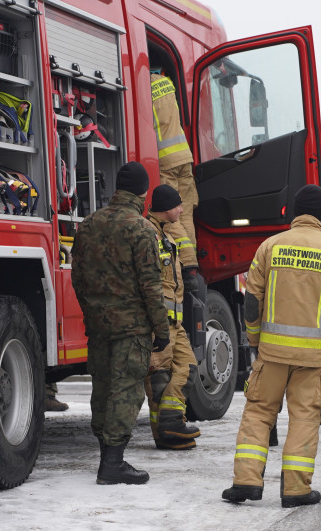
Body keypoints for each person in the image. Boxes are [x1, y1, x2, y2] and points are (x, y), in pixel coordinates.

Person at [222, 185, 321, 508]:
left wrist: (255, 340)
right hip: (314, 357)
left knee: (258, 413)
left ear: (295, 211)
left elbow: (252, 301)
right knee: (305, 418)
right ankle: (296, 489)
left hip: (271, 353)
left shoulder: (270, 246)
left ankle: (246, 481)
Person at [72, 161, 168, 485]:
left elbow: (77, 278)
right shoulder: (141, 228)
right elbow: (151, 287)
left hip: (99, 324)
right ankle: (112, 463)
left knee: (102, 388)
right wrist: (162, 330)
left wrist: (91, 311)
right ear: (143, 191)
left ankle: (106, 454)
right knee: (125, 390)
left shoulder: (88, 224)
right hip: (132, 327)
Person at [145, 185, 201, 449]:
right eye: (178, 205)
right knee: (159, 380)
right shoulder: (148, 235)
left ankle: (171, 423)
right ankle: (165, 436)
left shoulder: (165, 234)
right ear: (166, 207)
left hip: (173, 323)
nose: (181, 209)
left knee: (188, 368)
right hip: (158, 323)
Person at [150, 70, 199, 273]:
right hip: (184, 156)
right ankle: (193, 261)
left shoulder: (143, 85)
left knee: (170, 214)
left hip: (165, 159)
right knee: (185, 213)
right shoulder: (166, 83)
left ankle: (186, 263)